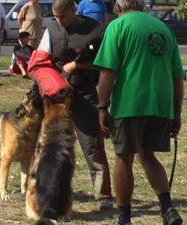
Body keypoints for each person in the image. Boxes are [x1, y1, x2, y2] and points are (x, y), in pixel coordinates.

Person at [94, 0, 184, 224]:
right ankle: (168, 208)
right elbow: (177, 77)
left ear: (119, 5)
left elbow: (107, 72)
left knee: (123, 158)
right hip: (161, 104)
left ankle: (124, 217)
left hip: (130, 102)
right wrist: (176, 112)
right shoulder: (163, 29)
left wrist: (102, 106)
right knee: (147, 156)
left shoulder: (118, 26)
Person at [29, 0, 114, 210]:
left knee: (92, 145)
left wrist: (77, 64)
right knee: (45, 146)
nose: (59, 21)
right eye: (56, 17)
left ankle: (103, 196)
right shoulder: (51, 31)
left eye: (63, 16)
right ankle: (38, 189)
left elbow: (106, 62)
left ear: (73, 10)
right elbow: (40, 62)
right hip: (55, 98)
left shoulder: (94, 30)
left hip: (84, 94)